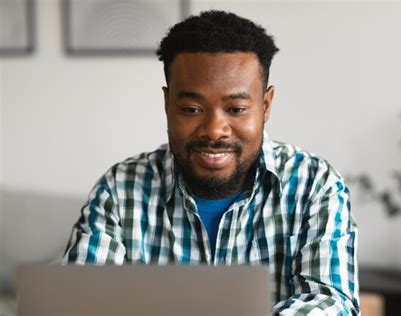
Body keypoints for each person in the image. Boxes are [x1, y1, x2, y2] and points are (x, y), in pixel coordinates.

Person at [63, 10, 359, 315]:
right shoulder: (120, 189)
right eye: (191, 109)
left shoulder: (315, 184)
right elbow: (81, 303)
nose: (214, 130)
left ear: (265, 105)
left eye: (236, 108)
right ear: (167, 104)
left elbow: (330, 301)